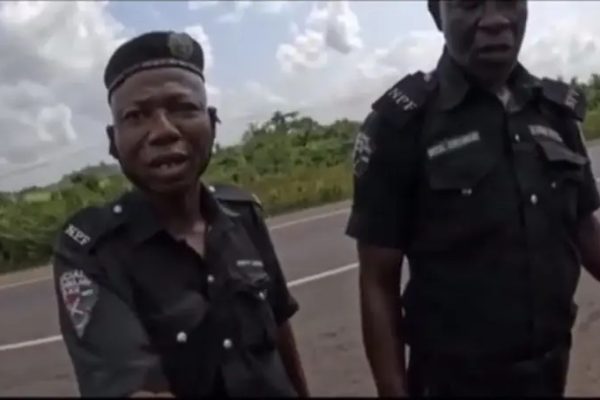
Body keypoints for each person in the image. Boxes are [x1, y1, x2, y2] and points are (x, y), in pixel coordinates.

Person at [346, 0, 600, 397]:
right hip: (453, 381)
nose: (496, 20)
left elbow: (585, 228)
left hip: (550, 369)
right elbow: (378, 279)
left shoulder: (555, 112)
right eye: (469, 4)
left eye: (509, 2)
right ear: (436, 14)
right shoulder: (400, 126)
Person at [52, 31, 308, 398]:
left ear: (213, 122)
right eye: (136, 116)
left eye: (183, 108)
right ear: (113, 142)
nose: (163, 131)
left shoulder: (244, 214)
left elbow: (280, 332)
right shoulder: (90, 250)